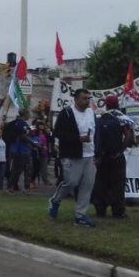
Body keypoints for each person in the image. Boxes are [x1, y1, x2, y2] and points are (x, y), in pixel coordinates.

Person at [48, 89, 98, 227]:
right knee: (71, 182)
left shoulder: (91, 113)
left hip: (89, 154)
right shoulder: (67, 113)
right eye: (84, 98)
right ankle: (55, 200)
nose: (87, 101)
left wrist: (97, 152)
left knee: (87, 185)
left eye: (89, 98)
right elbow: (58, 135)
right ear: (76, 99)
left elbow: (95, 133)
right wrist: (78, 139)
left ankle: (80, 215)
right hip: (72, 154)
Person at [92, 95, 135, 219]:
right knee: (118, 184)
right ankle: (118, 211)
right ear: (117, 104)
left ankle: (100, 209)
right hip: (116, 157)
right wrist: (120, 150)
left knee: (101, 182)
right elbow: (128, 136)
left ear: (106, 105)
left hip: (102, 157)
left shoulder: (99, 118)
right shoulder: (122, 118)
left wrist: (98, 154)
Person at [7, 109, 33, 195]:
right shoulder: (20, 123)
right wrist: (33, 143)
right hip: (20, 151)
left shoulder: (24, 124)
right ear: (25, 114)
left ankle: (26, 188)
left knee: (28, 170)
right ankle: (10, 188)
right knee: (16, 170)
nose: (30, 115)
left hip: (26, 150)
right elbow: (23, 136)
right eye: (28, 113)